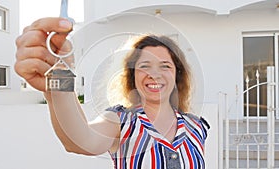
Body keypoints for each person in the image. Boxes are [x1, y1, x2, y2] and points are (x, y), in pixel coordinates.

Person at [15, 17, 210, 169]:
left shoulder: (195, 127)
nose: (154, 74)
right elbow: (80, 140)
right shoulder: (121, 121)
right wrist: (59, 75)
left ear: (177, 75)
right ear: (132, 77)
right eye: (144, 66)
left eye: (165, 66)